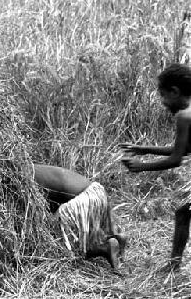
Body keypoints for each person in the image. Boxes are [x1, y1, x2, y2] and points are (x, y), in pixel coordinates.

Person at [120, 63, 191, 270]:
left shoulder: (184, 116)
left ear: (175, 91)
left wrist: (141, 166)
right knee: (183, 212)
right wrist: (144, 149)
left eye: (163, 96)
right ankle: (174, 264)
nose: (162, 102)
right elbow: (184, 149)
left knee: (183, 212)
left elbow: (176, 159)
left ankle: (174, 265)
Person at [33, 163, 126, 269]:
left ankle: (105, 248)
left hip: (83, 200)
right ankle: (116, 233)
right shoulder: (36, 167)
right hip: (96, 190)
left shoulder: (23, 175)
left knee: (56, 243)